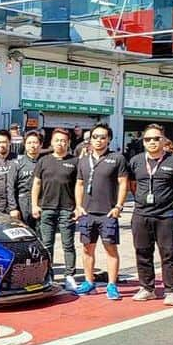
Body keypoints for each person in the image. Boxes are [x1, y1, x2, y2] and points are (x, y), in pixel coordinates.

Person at [128, 124, 173, 305]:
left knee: (169, 253)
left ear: (163, 140)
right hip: (141, 214)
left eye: (156, 138)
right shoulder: (136, 161)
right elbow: (132, 185)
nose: (152, 142)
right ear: (143, 142)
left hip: (166, 215)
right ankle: (147, 288)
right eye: (148, 139)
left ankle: (171, 290)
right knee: (142, 252)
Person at [73, 123, 128, 300]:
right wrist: (78, 206)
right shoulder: (83, 160)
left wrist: (118, 206)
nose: (98, 140)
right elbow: (79, 184)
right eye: (95, 137)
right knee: (87, 249)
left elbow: (123, 183)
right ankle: (89, 282)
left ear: (109, 139)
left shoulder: (117, 158)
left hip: (107, 213)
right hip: (87, 213)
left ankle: (112, 285)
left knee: (110, 249)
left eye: (103, 137)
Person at [32, 128, 79, 290]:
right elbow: (36, 184)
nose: (60, 143)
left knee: (68, 245)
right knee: (47, 244)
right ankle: (48, 275)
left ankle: (69, 276)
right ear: (51, 142)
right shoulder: (43, 161)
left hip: (67, 209)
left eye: (64, 140)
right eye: (57, 140)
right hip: (46, 209)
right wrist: (34, 205)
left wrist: (78, 207)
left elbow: (79, 186)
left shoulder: (75, 161)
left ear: (68, 143)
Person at [14, 131, 43, 230]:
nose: (32, 146)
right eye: (29, 143)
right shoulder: (17, 163)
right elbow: (11, 187)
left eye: (35, 142)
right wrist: (13, 208)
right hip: (23, 202)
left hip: (42, 203)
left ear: (41, 144)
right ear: (25, 145)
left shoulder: (45, 162)